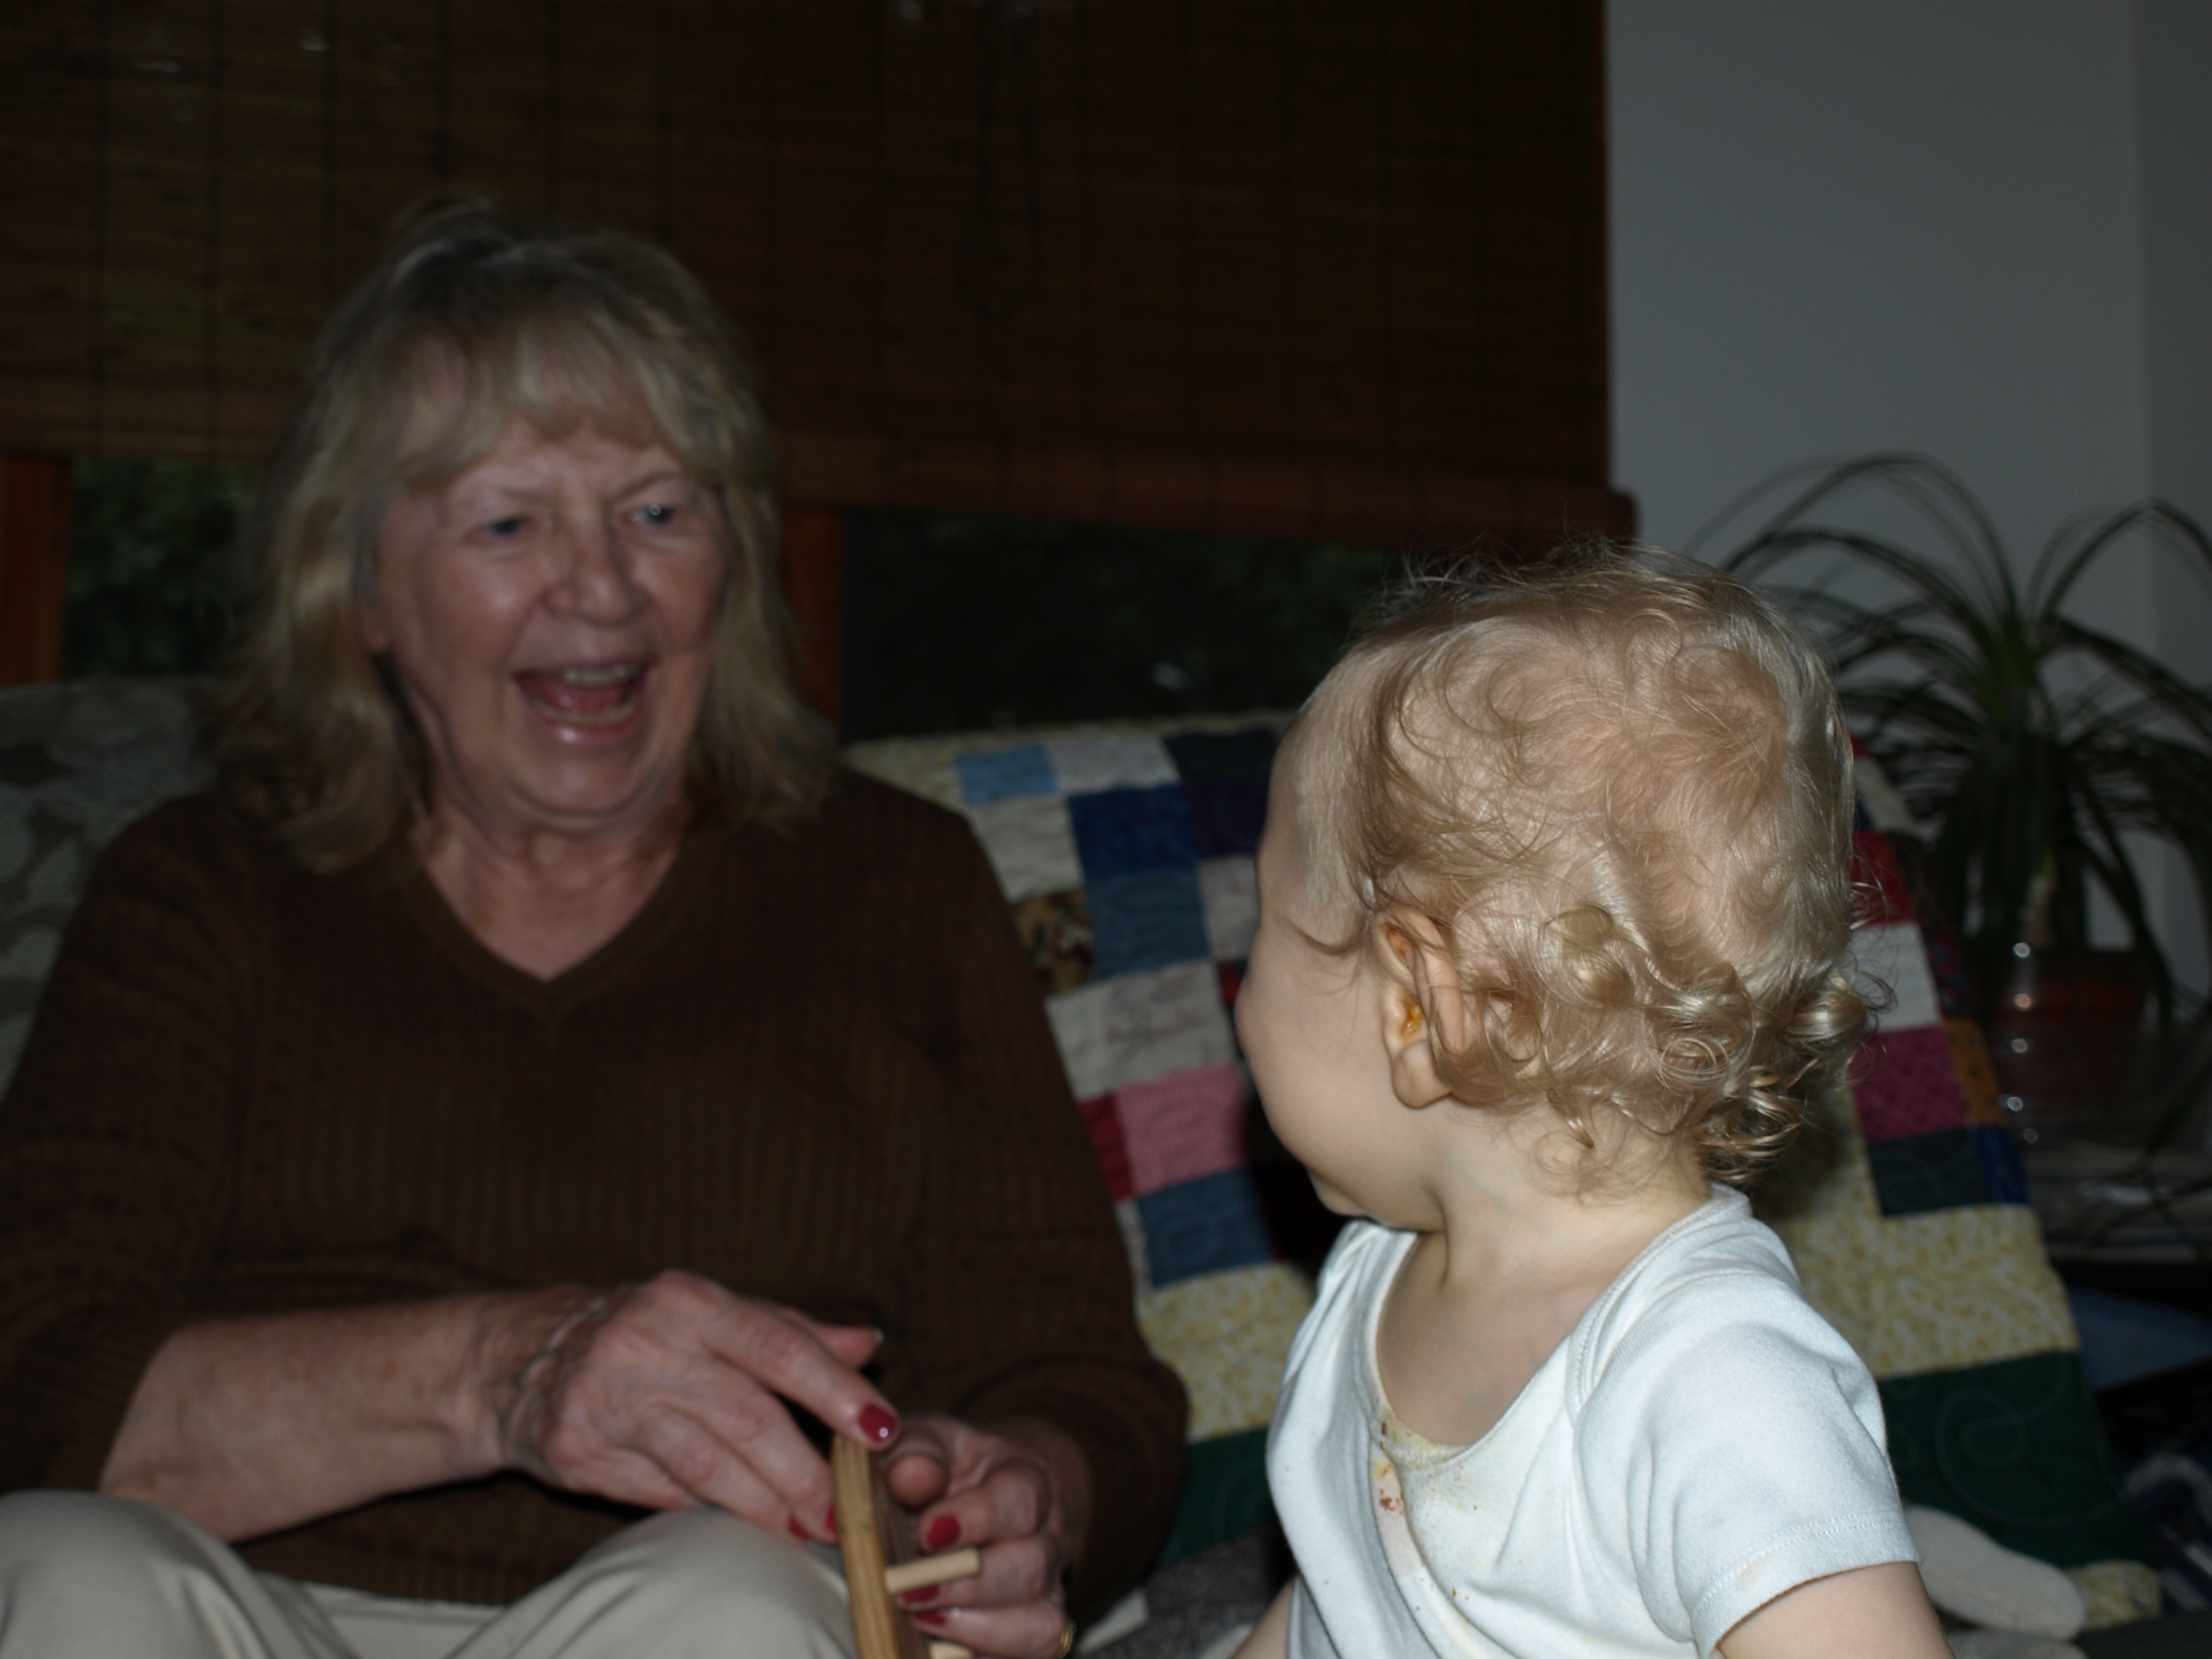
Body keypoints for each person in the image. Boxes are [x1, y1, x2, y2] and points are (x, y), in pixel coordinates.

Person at [0, 204, 1183, 1659]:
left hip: (695, 1615)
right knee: (55, 1566)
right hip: (236, 1612)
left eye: (659, 513)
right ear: (358, 590)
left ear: (733, 557)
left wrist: (1020, 1495)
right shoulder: (198, 889)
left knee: (734, 1604)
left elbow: (1082, 1388)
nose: (605, 589)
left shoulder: (899, 885)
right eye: (509, 523)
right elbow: (30, 1383)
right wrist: (504, 1375)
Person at [1227, 548, 1948, 1658]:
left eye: (1264, 927)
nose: (1238, 985)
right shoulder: (1373, 1275)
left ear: (1420, 1008)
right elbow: (1346, 1597)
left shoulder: (1714, 1377)